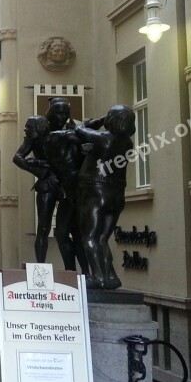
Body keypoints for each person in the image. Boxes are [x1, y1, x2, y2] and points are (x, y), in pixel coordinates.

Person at [75, 105, 136, 289]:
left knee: (90, 237)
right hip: (116, 195)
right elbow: (99, 153)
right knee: (102, 238)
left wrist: (95, 121)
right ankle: (111, 276)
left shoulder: (105, 139)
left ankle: (98, 277)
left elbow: (79, 129)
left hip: (96, 192)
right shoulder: (127, 143)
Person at [41, 98, 89, 273]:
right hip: (64, 187)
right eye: (59, 113)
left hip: (76, 187)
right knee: (64, 233)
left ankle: (82, 274)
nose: (62, 116)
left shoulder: (76, 131)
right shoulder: (49, 133)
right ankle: (75, 272)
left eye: (65, 113)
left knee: (73, 233)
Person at [13, 115, 59, 262]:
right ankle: (41, 266)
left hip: (64, 181)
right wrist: (39, 169)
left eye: (29, 127)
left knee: (70, 228)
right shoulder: (31, 140)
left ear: (39, 128)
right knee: (43, 227)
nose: (25, 130)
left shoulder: (57, 137)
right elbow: (17, 158)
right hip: (46, 184)